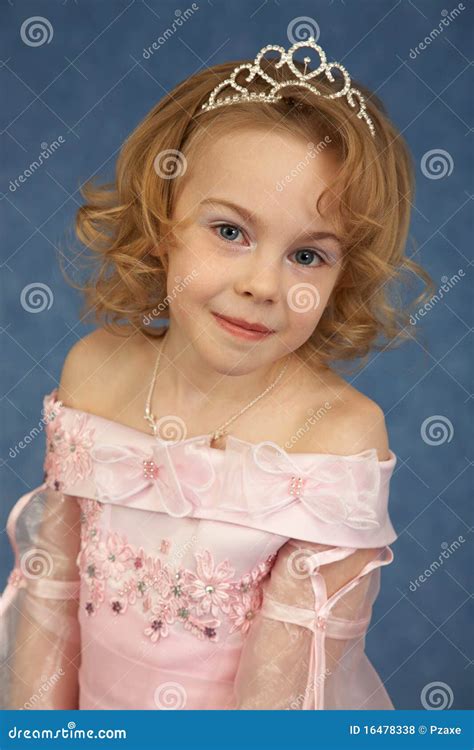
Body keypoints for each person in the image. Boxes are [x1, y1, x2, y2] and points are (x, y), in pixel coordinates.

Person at [0, 35, 434, 710]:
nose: (264, 285)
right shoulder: (96, 373)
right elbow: (49, 599)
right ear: (162, 222)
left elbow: (280, 696)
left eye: (309, 256)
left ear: (344, 274)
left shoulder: (338, 435)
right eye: (230, 231)